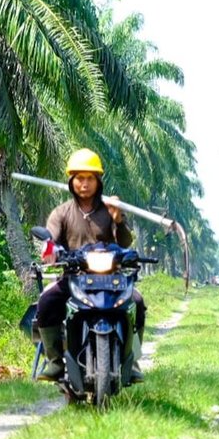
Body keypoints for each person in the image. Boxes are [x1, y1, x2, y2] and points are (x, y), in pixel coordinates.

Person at [36, 148, 146, 382]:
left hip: (111, 277)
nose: (84, 184)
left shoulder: (110, 209)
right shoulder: (61, 212)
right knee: (46, 302)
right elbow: (50, 240)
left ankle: (133, 360)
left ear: (98, 182)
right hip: (74, 276)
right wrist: (50, 250)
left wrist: (118, 219)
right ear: (71, 181)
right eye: (80, 178)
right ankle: (55, 361)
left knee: (137, 302)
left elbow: (125, 242)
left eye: (90, 179)